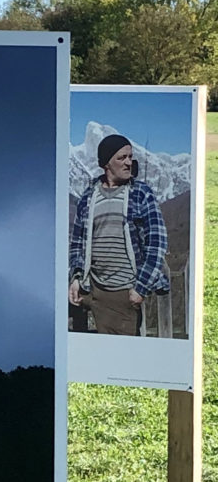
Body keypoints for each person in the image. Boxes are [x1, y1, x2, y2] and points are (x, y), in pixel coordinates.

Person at [69, 133, 169, 336]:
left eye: (130, 157)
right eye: (121, 158)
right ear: (106, 163)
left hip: (125, 293)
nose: (128, 163)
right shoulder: (89, 197)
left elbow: (157, 243)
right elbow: (77, 242)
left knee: (123, 354)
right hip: (93, 289)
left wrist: (140, 288)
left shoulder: (140, 193)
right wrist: (77, 277)